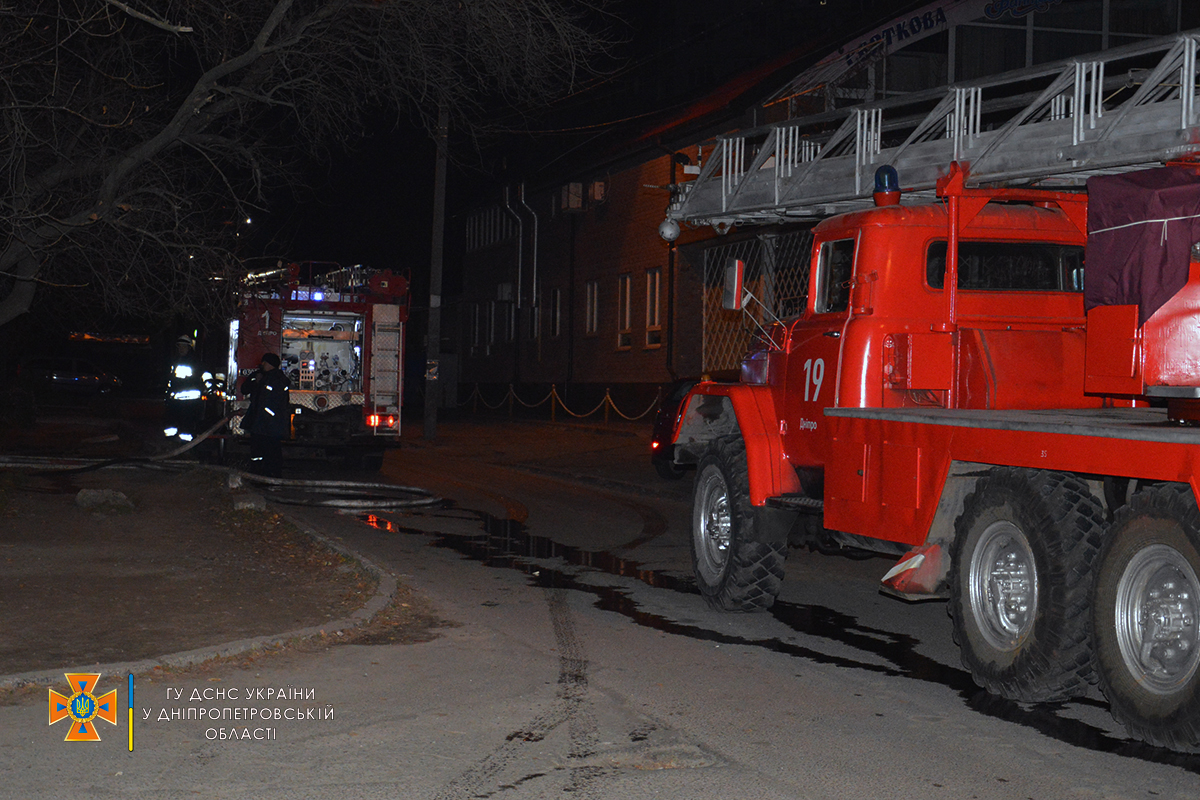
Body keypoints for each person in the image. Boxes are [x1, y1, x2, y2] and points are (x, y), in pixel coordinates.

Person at [240, 353, 291, 477]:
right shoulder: (260, 376)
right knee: (258, 452)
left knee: (271, 451)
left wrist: (268, 417)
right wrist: (255, 381)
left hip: (269, 425)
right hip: (260, 424)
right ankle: (258, 475)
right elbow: (244, 389)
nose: (262, 364)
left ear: (270, 364)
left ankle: (270, 476)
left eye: (265, 362)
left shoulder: (278, 380)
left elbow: (275, 402)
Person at [164, 335, 211, 443]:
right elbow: (171, 380)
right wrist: (168, 394)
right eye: (179, 346)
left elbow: (205, 374)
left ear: (189, 348)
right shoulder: (175, 362)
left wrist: (210, 386)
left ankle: (187, 446)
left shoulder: (195, 362)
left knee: (187, 426)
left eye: (183, 346)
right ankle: (171, 443)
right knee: (172, 424)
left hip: (190, 403)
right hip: (175, 401)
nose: (181, 349)